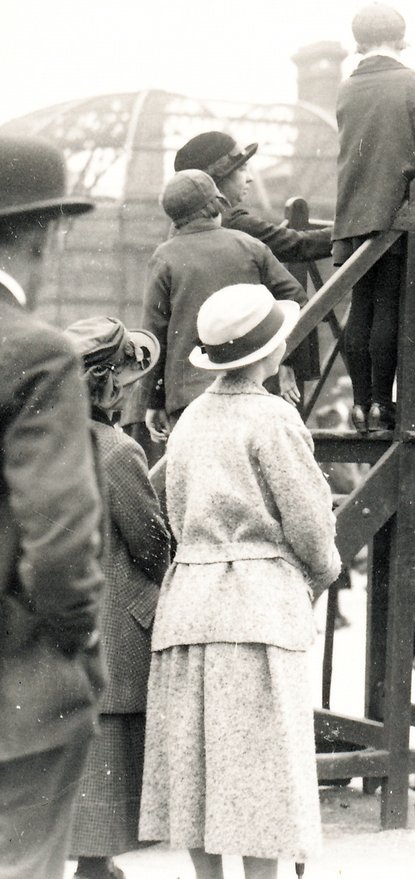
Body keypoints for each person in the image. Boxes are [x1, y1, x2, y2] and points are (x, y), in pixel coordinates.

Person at [139, 284, 341, 879]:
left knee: (197, 767)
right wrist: (323, 570)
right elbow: (308, 523)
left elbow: (170, 511)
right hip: (255, 609)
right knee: (261, 771)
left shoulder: (190, 420)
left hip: (188, 608)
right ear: (267, 353)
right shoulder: (274, 419)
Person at [0, 133, 106, 879]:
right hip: (18, 696)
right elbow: (62, 541)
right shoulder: (37, 352)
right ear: (41, 232)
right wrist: (77, 650)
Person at [63, 318, 171, 879]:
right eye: (123, 382)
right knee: (106, 751)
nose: (130, 390)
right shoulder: (117, 451)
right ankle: (94, 866)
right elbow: (154, 546)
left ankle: (87, 863)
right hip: (110, 631)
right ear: (104, 386)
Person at [334, 3, 415, 433]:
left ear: (359, 42)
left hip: (352, 215)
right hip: (397, 213)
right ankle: (383, 402)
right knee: (389, 308)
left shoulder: (347, 87)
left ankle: (361, 405)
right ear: (402, 40)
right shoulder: (413, 83)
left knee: (359, 307)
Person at [140, 170, 306, 445]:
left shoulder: (165, 256)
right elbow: (296, 298)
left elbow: (154, 333)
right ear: (217, 204)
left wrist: (154, 399)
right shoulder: (250, 246)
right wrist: (281, 354)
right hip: (252, 387)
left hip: (188, 397)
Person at [174, 131, 333, 264]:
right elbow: (298, 245)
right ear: (220, 176)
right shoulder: (232, 222)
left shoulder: (181, 224)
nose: (250, 178)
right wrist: (345, 233)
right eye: (242, 169)